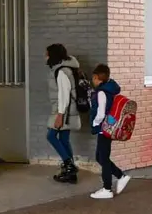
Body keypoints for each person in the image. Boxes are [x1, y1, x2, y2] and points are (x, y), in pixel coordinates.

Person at [89, 64, 130, 199]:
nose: (92, 81)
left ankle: (107, 188)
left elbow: (100, 113)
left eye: (93, 78)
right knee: (100, 157)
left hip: (103, 128)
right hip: (109, 127)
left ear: (97, 78)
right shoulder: (110, 90)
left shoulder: (101, 92)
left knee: (103, 158)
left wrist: (95, 123)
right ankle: (120, 176)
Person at [45, 44, 82, 184]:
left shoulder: (62, 71)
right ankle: (71, 175)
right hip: (65, 110)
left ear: (53, 55)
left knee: (51, 135)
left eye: (47, 54)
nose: (46, 57)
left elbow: (64, 95)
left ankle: (69, 166)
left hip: (63, 111)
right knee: (64, 139)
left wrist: (60, 115)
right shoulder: (65, 69)